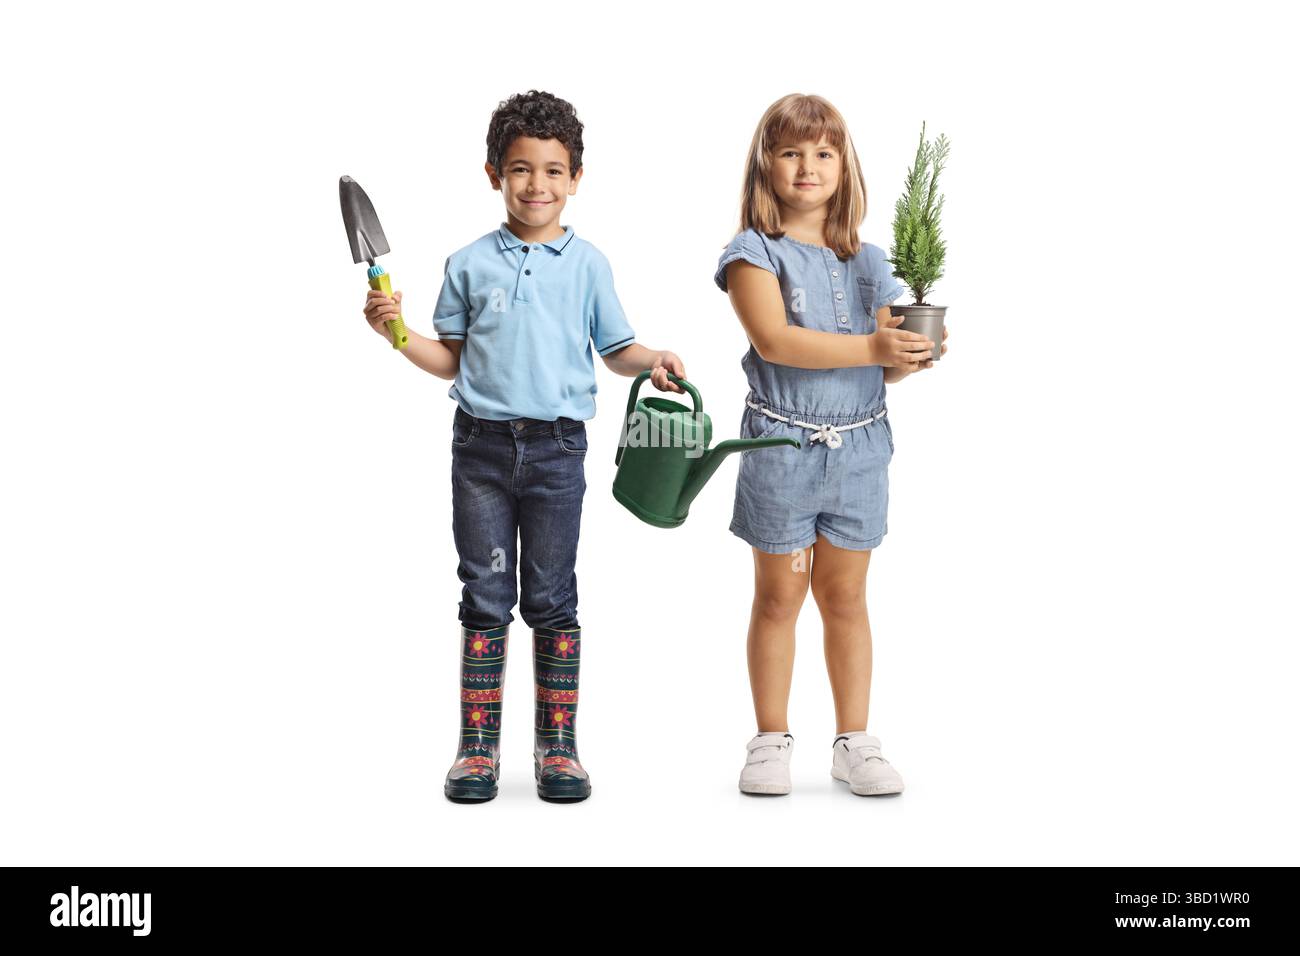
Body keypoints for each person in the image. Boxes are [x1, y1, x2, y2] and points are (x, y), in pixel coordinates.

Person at [363, 90, 686, 803]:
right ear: (493, 174)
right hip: (478, 451)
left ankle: (557, 748)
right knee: (483, 594)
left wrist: (653, 356)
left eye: (552, 170)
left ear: (575, 179)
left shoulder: (590, 266)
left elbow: (617, 350)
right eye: (519, 169)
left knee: (550, 596)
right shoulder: (470, 263)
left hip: (557, 453)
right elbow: (449, 359)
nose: (535, 184)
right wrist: (395, 330)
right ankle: (477, 749)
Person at [714, 93, 949, 797]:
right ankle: (769, 739)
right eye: (790, 152)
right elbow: (775, 340)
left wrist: (910, 353)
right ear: (767, 166)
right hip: (782, 451)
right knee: (779, 598)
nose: (808, 166)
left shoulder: (870, 259)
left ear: (845, 167)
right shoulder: (753, 253)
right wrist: (875, 344)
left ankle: (855, 740)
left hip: (859, 452)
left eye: (823, 152)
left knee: (845, 597)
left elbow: (881, 364)